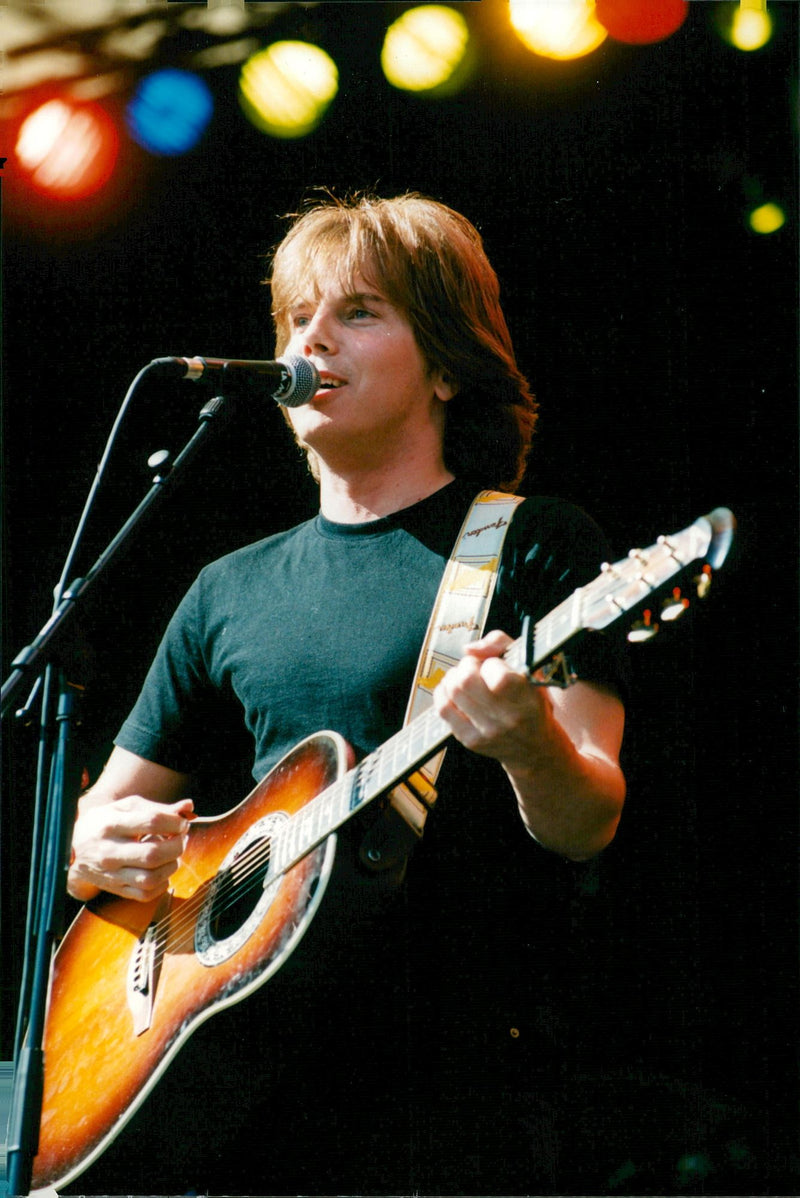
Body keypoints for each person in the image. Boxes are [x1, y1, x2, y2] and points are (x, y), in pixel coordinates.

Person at [63, 192, 627, 1196]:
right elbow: (102, 825)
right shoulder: (227, 589)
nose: (312, 339)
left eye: (358, 311)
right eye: (296, 318)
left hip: (449, 1100)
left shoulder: (529, 543)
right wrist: (98, 848)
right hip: (241, 1103)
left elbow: (588, 819)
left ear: (446, 365)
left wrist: (529, 740)